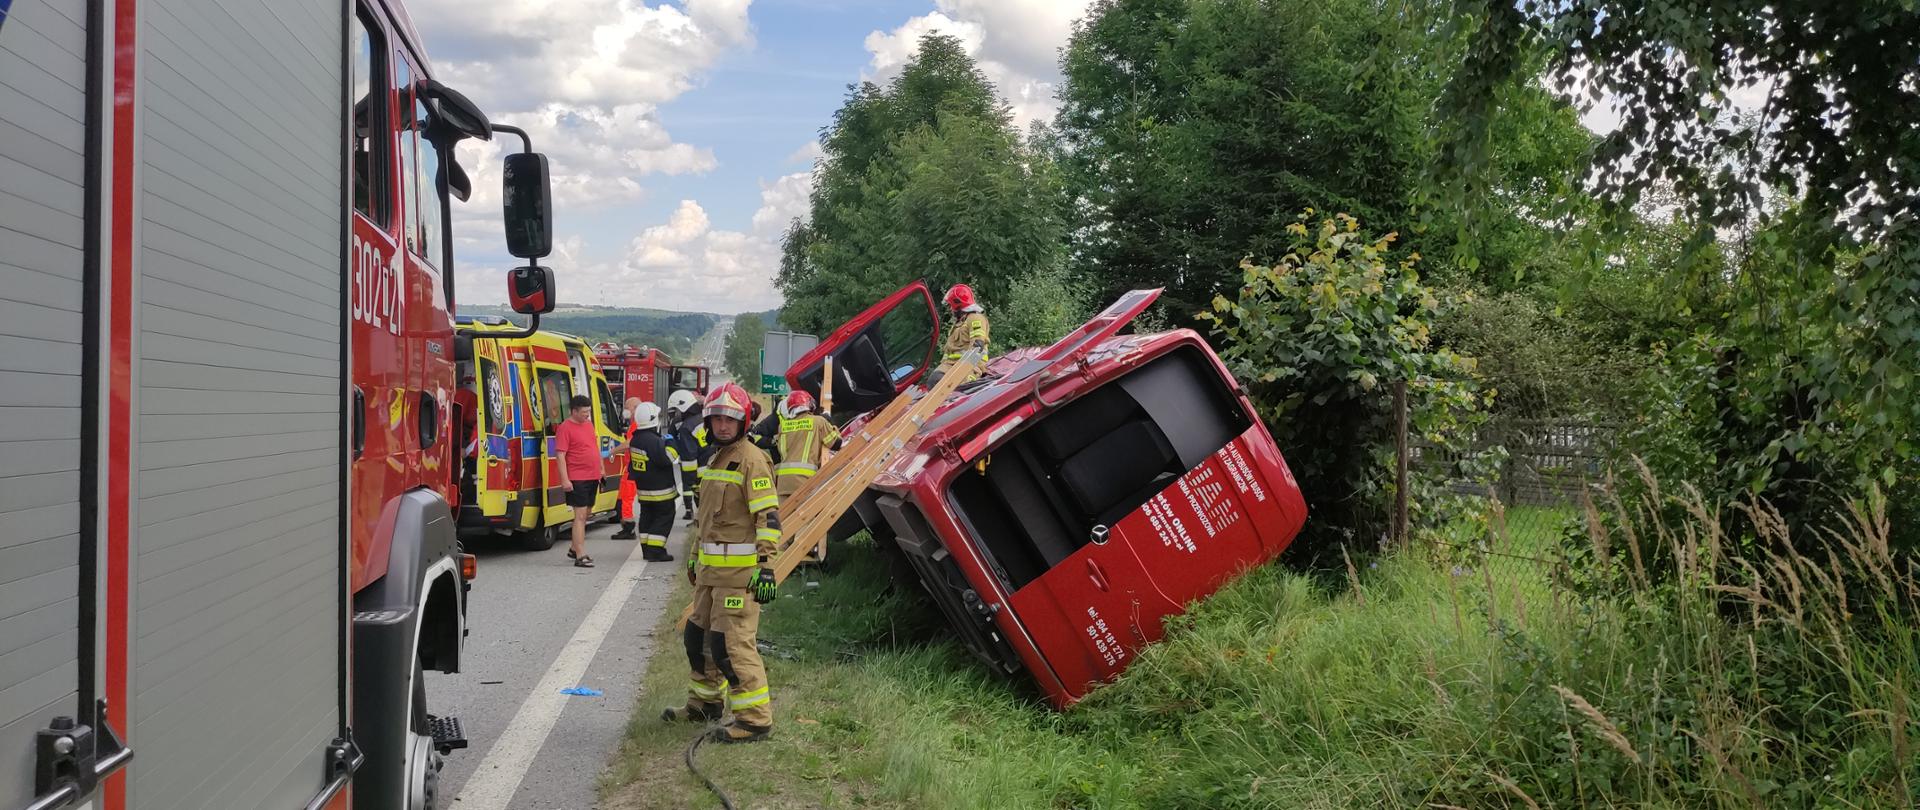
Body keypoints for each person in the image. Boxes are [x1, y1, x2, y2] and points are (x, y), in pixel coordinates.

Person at [662, 382, 781, 743]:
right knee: (698, 639)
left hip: (739, 578)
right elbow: (707, 520)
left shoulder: (752, 460)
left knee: (731, 646)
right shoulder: (715, 458)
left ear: (743, 421)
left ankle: (754, 719)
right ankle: (705, 703)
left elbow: (768, 518)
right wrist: (696, 557)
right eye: (717, 419)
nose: (723, 425)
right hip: (710, 576)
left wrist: (766, 567)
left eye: (730, 419)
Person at [624, 402, 678, 561]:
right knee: (664, 517)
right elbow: (670, 458)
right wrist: (670, 442)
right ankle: (656, 551)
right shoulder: (654, 441)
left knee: (647, 518)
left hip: (644, 491)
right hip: (661, 492)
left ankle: (647, 549)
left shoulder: (636, 440)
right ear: (653, 419)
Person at [553, 394, 601, 568]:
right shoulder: (565, 428)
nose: (587, 415)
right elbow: (560, 455)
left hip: (592, 475)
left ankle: (574, 547)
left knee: (587, 513)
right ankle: (580, 555)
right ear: (574, 411)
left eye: (588, 412)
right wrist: (565, 479)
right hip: (577, 477)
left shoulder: (588, 424)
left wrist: (601, 469)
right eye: (584, 412)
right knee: (580, 516)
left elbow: (594, 446)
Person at [666, 389, 706, 522]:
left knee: (703, 503)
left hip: (700, 473)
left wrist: (690, 481)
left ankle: (699, 523)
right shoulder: (703, 418)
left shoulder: (686, 428)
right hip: (713, 467)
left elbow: (689, 458)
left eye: (676, 410)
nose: (676, 414)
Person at [612, 397, 645, 540]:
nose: (625, 410)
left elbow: (629, 443)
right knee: (621, 499)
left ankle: (629, 528)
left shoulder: (637, 424)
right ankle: (625, 525)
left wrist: (611, 452)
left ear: (636, 408)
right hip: (630, 466)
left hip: (633, 467)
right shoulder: (635, 424)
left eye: (628, 407)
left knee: (626, 498)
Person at [941, 283, 991, 366]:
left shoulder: (975, 318)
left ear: (958, 304)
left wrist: (965, 369)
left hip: (970, 367)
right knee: (935, 378)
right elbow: (948, 351)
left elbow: (977, 346)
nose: (950, 309)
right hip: (951, 365)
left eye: (951, 305)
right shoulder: (958, 324)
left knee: (938, 377)